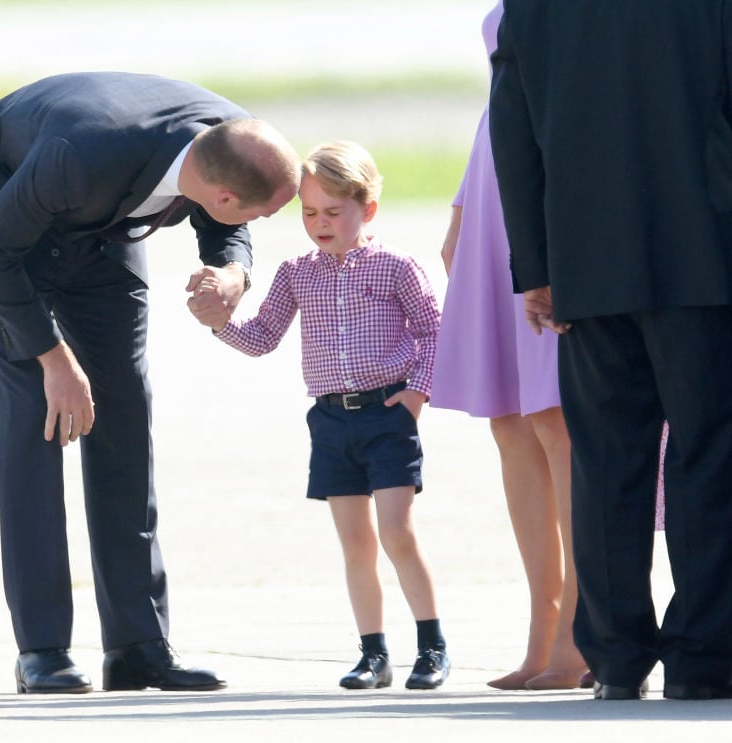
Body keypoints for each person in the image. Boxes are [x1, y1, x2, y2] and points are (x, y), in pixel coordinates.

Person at [0, 72, 300, 694]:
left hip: (101, 232)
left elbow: (230, 221)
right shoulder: (81, 153)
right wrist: (51, 358)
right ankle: (42, 650)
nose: (263, 219)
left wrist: (234, 269)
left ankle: (138, 646)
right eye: (262, 212)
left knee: (123, 413)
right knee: (38, 421)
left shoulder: (232, 136)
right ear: (224, 194)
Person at [490, 1, 732, 701]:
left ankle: (618, 657)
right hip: (706, 257)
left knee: (605, 461)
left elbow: (512, 128)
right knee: (710, 454)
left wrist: (535, 264)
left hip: (587, 261)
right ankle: (703, 654)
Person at [193, 141, 449, 691]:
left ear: (368, 210)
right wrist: (217, 322)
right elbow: (262, 337)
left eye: (334, 212)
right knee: (355, 542)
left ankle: (431, 647)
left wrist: (417, 394)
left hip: (386, 414)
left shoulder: (396, 267)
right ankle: (373, 654)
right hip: (330, 422)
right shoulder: (295, 274)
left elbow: (434, 331)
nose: (320, 223)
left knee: (396, 533)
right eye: (310, 212)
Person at [429, 0, 587, 691]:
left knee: (559, 420)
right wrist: (464, 206)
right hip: (498, 183)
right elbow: (502, 95)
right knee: (510, 419)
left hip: (556, 191)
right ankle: (541, 626)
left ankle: (582, 632)